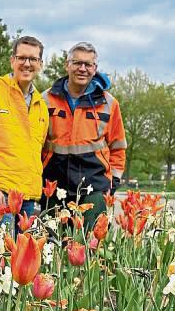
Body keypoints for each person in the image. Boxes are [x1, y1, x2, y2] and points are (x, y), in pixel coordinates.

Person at [41, 42, 126, 229]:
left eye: (88, 65)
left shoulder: (109, 103)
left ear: (95, 69)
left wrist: (114, 181)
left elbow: (118, 146)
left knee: (91, 247)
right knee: (51, 246)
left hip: (94, 185)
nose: (82, 69)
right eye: (77, 63)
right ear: (67, 65)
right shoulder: (45, 100)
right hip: (53, 186)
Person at [0, 36, 49, 233]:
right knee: (0, 257)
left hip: (28, 198)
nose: (27, 64)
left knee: (25, 260)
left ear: (40, 64)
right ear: (12, 60)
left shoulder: (41, 107)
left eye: (33, 59)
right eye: (21, 58)